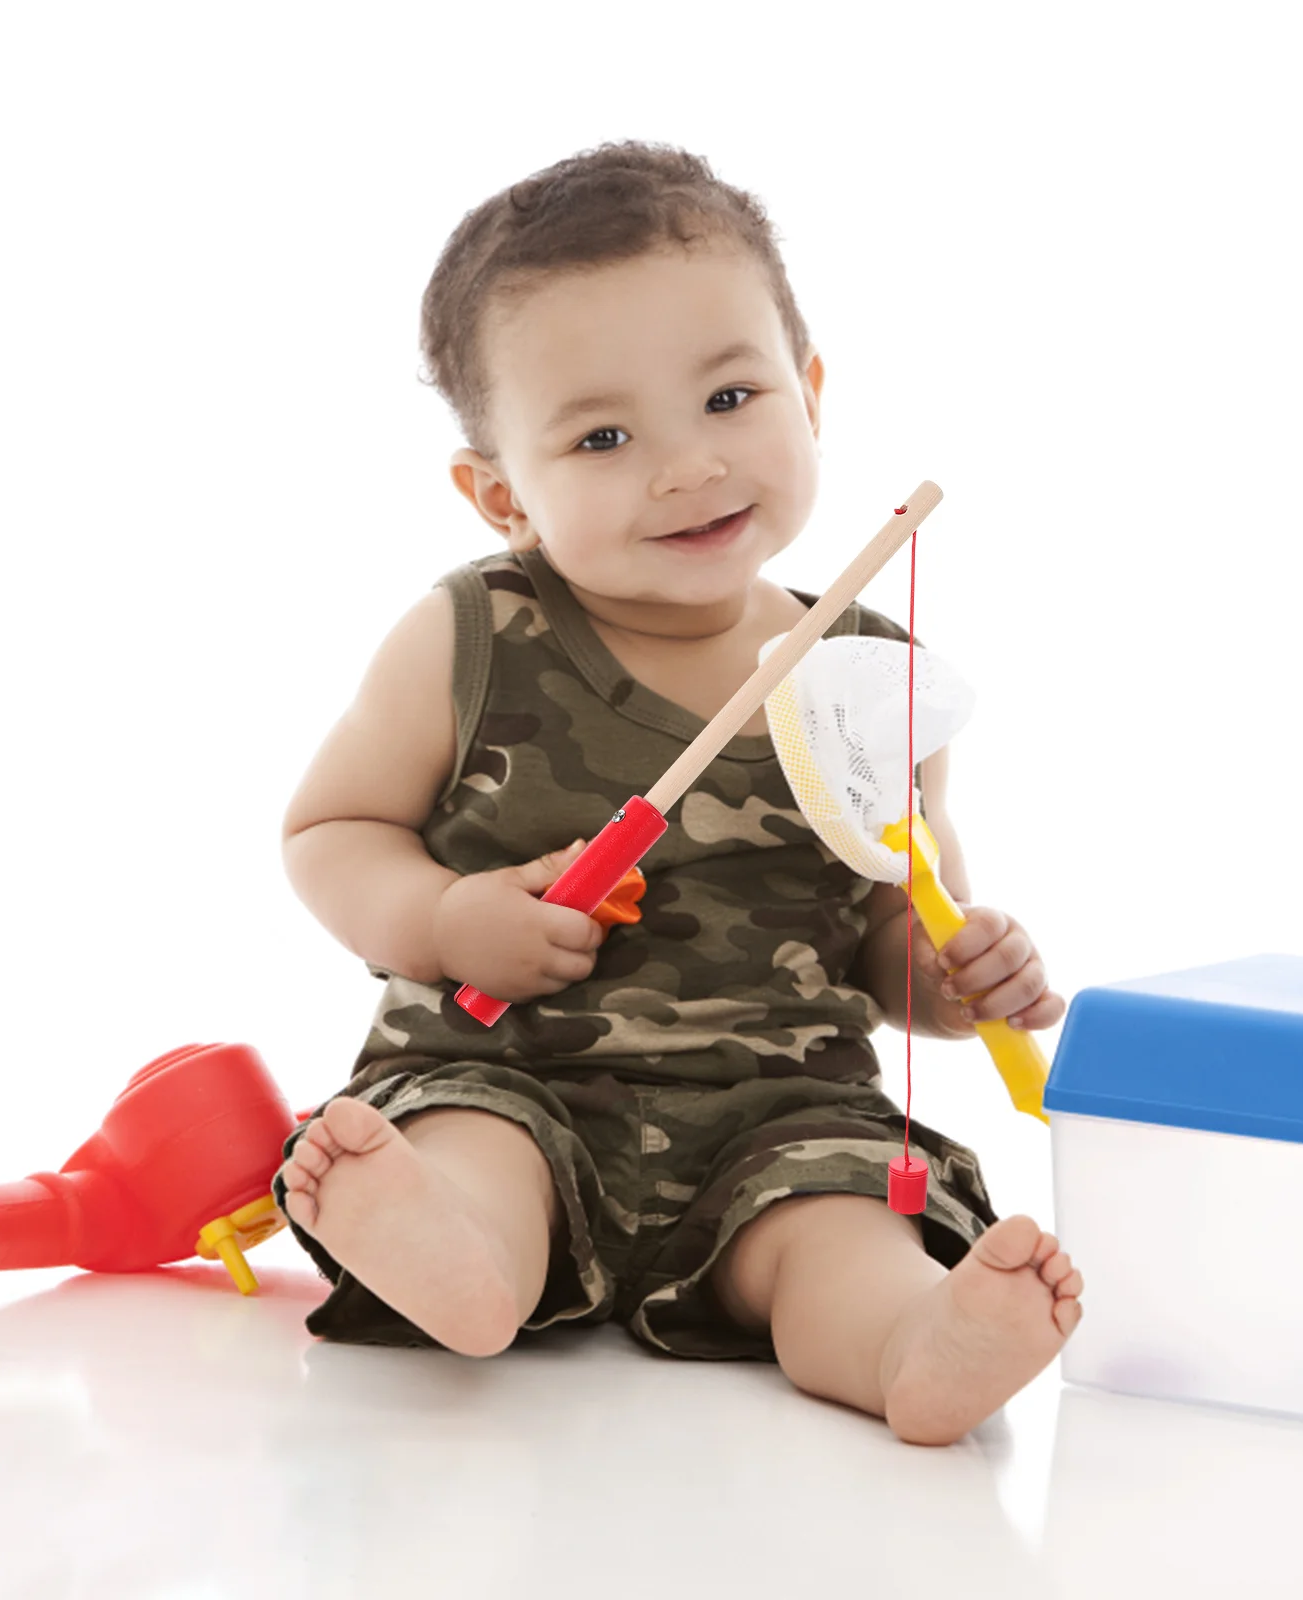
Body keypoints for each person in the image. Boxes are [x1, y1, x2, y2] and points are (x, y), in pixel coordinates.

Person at [273, 140, 1082, 1446]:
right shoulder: (470, 636)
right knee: (475, 1148)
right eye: (602, 435)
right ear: (499, 496)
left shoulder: (875, 677)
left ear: (810, 394)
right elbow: (329, 832)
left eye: (729, 398)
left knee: (834, 1223)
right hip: (513, 1068)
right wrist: (447, 919)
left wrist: (957, 971)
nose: (689, 467)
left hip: (777, 1106)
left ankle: (908, 1344)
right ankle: (464, 1263)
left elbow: (893, 930)